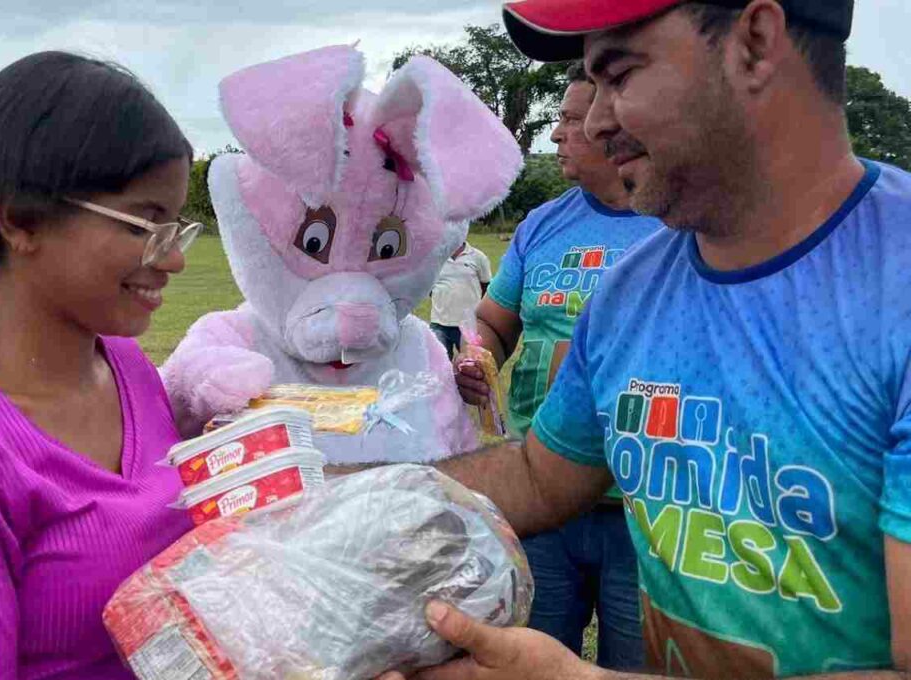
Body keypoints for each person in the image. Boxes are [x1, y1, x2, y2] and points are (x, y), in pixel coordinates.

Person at [384, 0, 911, 678]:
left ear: (756, 42)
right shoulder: (630, 293)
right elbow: (538, 477)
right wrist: (327, 497)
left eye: (621, 73)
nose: (595, 122)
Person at [0, 52, 203, 678]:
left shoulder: (126, 365)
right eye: (145, 225)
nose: (173, 261)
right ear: (19, 219)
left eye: (176, 228)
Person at [456, 61, 662, 668]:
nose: (556, 133)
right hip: (538, 491)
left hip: (642, 509)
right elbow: (496, 322)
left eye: (571, 119)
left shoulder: (675, 226)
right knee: (527, 658)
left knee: (632, 665)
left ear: (614, 121)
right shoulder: (543, 225)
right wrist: (477, 356)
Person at [430, 240, 493, 359]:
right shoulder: (435, 258)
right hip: (439, 323)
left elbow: (486, 286)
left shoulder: (478, 257)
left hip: (468, 326)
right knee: (439, 363)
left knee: (471, 363)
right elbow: (429, 287)